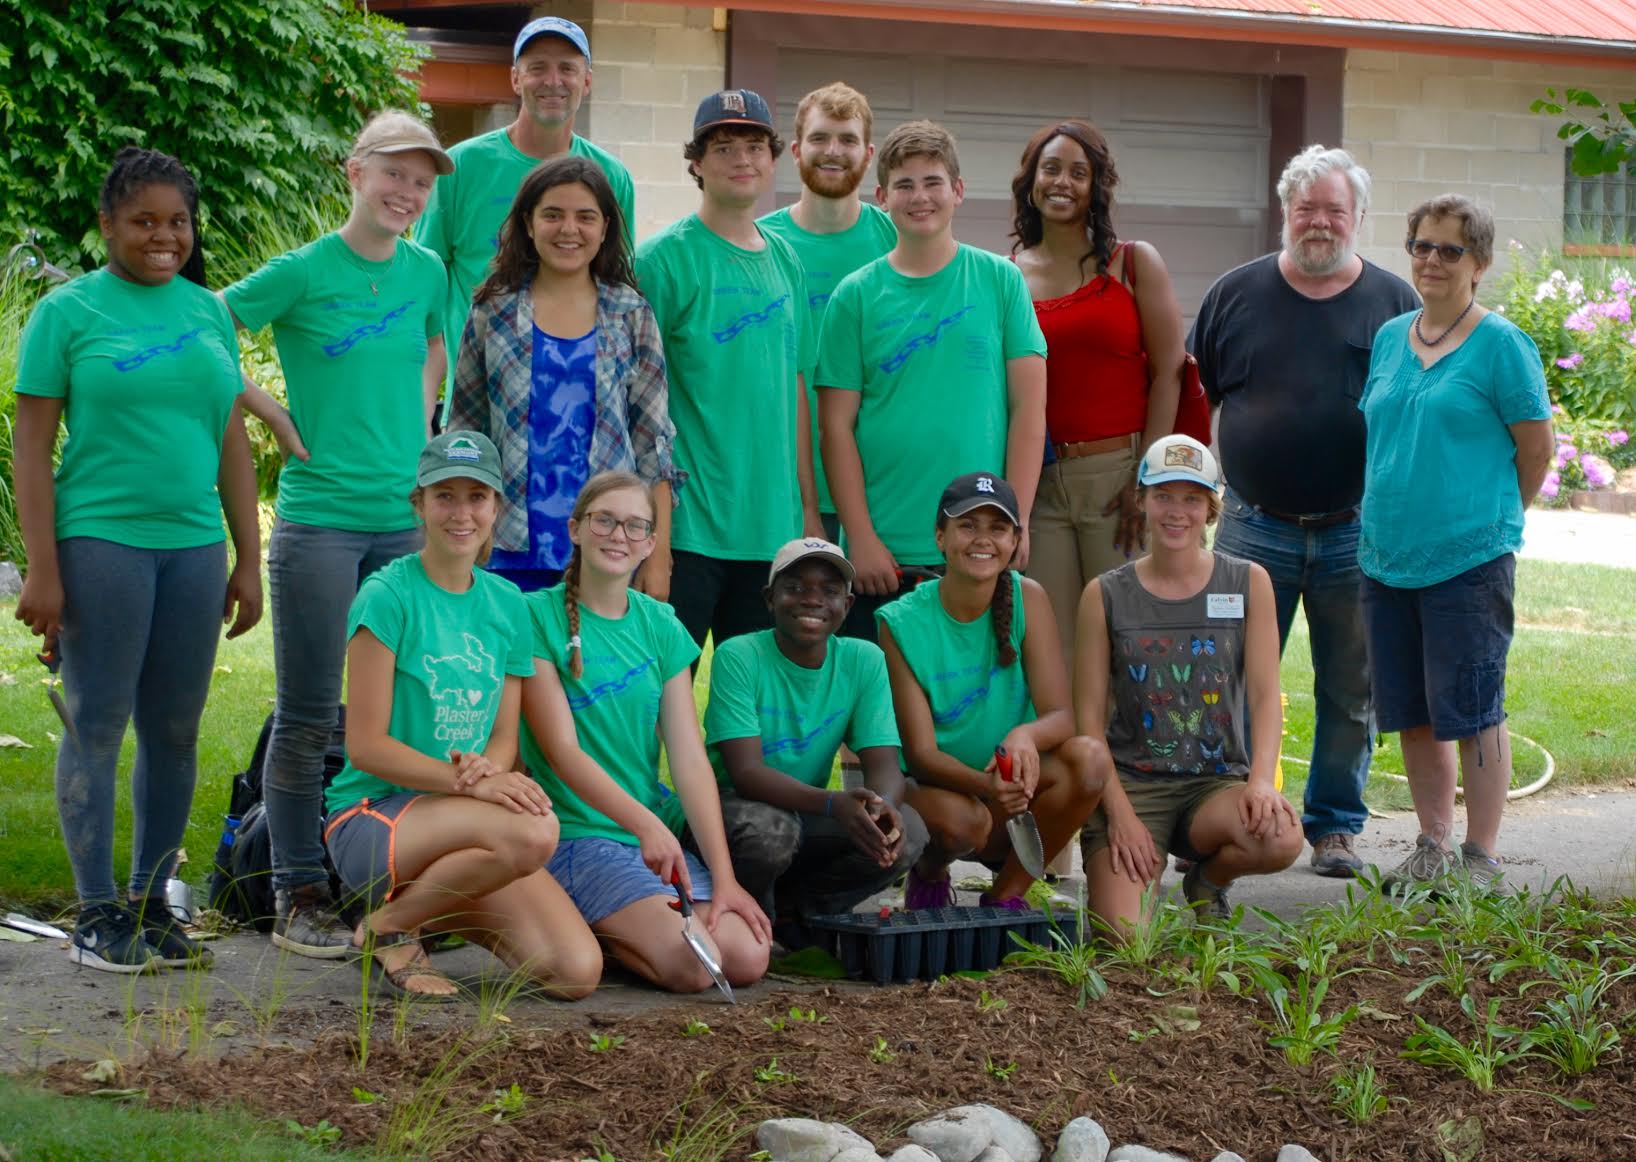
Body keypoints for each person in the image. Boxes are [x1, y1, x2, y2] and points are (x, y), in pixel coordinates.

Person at [13, 147, 262, 973]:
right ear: (107, 225)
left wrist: (246, 557)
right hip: (102, 544)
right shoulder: (69, 313)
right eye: (143, 221)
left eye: (178, 222)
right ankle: (95, 914)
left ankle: (154, 905)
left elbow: (230, 440)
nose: (164, 236)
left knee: (175, 729)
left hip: (192, 548)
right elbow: (33, 447)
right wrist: (42, 568)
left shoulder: (206, 314)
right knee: (97, 722)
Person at [223, 110, 452, 959]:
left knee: (399, 714)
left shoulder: (426, 271)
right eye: (394, 173)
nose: (407, 192)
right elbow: (208, 327)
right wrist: (272, 413)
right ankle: (298, 892)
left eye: (422, 181)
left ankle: (386, 882)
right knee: (313, 713)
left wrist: (422, 414)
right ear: (355, 172)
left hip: (404, 524)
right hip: (320, 523)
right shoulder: (305, 268)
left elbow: (433, 344)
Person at [1188, 146, 1419, 878]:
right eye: (1306, 209)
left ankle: (1334, 828)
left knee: (1352, 686)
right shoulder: (1235, 293)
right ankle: (1226, 813)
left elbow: (1412, 412)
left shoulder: (1393, 304)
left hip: (1357, 530)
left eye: (1334, 211)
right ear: (1286, 211)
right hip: (1254, 526)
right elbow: (1204, 399)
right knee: (1226, 678)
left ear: (1358, 219)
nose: (1319, 223)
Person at [322, 431, 600, 1000]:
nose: (461, 512)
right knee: (532, 831)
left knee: (574, 972)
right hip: (373, 816)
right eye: (444, 495)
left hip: (462, 813)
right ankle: (391, 924)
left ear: (497, 508)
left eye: (477, 496)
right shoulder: (387, 595)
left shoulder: (506, 605)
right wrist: (469, 785)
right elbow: (366, 747)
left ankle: (412, 917)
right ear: (418, 505)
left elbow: (502, 738)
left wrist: (486, 773)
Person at [1358, 196, 1553, 894]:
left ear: (1480, 263)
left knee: (1473, 710)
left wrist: (1495, 519)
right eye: (1421, 245)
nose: (1432, 260)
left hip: (1468, 560)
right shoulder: (1389, 338)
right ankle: (1433, 844)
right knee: (1413, 711)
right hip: (1386, 557)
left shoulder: (1502, 346)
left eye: (1449, 249)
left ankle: (1480, 857)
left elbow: (1535, 449)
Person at [518, 472, 772, 993]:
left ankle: (631, 921)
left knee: (746, 957)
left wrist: (724, 878)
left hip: (643, 836)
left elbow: (688, 756)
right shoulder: (535, 617)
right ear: (576, 529)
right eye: (605, 520)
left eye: (636, 527)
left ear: (652, 544)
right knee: (696, 968)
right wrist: (646, 826)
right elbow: (562, 751)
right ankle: (584, 924)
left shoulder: (661, 624)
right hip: (576, 833)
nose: (619, 536)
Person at [818, 121, 1047, 642]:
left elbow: (1029, 412)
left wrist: (1019, 521)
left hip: (981, 541)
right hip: (886, 552)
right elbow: (835, 429)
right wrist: (861, 536)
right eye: (904, 185)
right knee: (883, 716)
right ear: (881, 197)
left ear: (958, 191)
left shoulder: (1000, 281)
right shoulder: (854, 296)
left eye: (933, 182)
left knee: (980, 705)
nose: (919, 197)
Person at [1074, 435, 1301, 930]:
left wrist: (1260, 781)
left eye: (1192, 499)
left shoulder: (1248, 582)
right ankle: (1136, 878)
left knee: (1281, 834)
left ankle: (1207, 882)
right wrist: (1119, 816)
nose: (1177, 512)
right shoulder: (1104, 594)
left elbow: (1264, 696)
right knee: (1124, 934)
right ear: (1142, 500)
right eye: (1163, 495)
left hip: (1215, 784)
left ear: (1212, 509)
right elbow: (1088, 723)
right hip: (1134, 786)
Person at [447, 155, 680, 597]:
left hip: (609, 547)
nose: (568, 229)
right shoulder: (492, 310)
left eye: (585, 217)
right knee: (515, 666)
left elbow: (653, 443)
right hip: (506, 546)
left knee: (592, 666)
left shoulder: (631, 314)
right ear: (529, 224)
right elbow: (465, 431)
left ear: (606, 228)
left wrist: (659, 552)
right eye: (552, 214)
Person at [635, 90, 819, 648]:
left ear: (774, 157)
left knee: (751, 714)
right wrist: (654, 538)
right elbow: (638, 406)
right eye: (723, 147)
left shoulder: (787, 259)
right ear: (696, 162)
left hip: (772, 530)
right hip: (690, 531)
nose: (741, 158)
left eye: (754, 145)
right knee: (657, 701)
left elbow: (796, 389)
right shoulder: (662, 260)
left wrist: (808, 512)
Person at [876, 472, 1103, 909]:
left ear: (1016, 540)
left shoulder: (1028, 598)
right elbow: (921, 754)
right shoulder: (898, 621)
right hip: (934, 792)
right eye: (967, 525)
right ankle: (929, 869)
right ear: (940, 537)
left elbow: (1062, 716)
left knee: (1089, 760)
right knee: (965, 822)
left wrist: (1024, 737)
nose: (983, 540)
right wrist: (986, 785)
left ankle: (1005, 897)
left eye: (997, 528)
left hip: (1006, 785)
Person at [1009, 119, 1185, 663]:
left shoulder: (1132, 263)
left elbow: (1169, 372)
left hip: (1117, 480)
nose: (1062, 182)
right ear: (1032, 181)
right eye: (1051, 168)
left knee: (1130, 638)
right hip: (1041, 486)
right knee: (1055, 646)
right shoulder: (1006, 274)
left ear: (1096, 187)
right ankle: (1076, 751)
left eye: (1078, 172)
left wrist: (1147, 477)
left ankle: (1131, 751)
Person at [703, 537, 929, 934]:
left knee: (908, 833)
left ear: (848, 605)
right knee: (770, 833)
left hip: (807, 811)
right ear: (769, 599)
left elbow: (885, 765)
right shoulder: (739, 655)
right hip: (734, 810)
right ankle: (753, 915)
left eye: (829, 591)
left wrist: (882, 808)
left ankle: (801, 912)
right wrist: (832, 804)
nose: (812, 600)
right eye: (794, 589)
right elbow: (745, 772)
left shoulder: (863, 659)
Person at [419, 16, 635, 391]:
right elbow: (423, 282)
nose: (553, 81)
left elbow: (616, 285)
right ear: (516, 79)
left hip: (579, 396)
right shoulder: (460, 168)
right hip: (480, 398)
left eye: (567, 68)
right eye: (537, 68)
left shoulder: (612, 178)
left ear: (587, 80)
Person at [759, 82, 897, 544]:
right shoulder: (760, 246)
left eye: (847, 139)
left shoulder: (897, 241)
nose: (832, 151)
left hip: (877, 487)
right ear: (796, 151)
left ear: (869, 153)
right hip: (782, 489)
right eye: (819, 138)